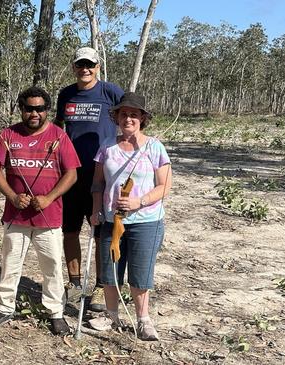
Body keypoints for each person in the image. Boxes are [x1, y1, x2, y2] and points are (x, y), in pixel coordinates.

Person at [0, 86, 79, 336]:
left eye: (40, 109)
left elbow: (71, 173)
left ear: (47, 111)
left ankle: (55, 312)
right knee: (10, 264)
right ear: (21, 110)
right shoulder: (7, 135)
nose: (34, 113)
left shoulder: (59, 136)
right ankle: (3, 308)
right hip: (17, 216)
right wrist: (12, 196)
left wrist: (49, 198)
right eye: (29, 108)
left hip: (49, 217)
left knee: (52, 267)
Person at [88, 92, 172, 341]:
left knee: (140, 272)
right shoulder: (107, 146)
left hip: (146, 221)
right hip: (112, 220)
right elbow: (97, 183)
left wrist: (138, 201)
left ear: (143, 118)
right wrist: (96, 210)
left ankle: (143, 320)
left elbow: (164, 186)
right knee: (110, 270)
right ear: (116, 117)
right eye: (124, 114)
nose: (128, 119)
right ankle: (111, 315)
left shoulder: (154, 147)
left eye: (134, 114)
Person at [55, 46, 124, 312]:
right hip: (71, 174)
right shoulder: (66, 94)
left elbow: (130, 118)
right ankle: (74, 284)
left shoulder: (110, 91)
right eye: (80, 64)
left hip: (101, 175)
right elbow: (59, 127)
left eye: (90, 65)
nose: (85, 69)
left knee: (100, 233)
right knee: (69, 231)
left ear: (97, 67)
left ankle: (100, 286)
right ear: (74, 67)